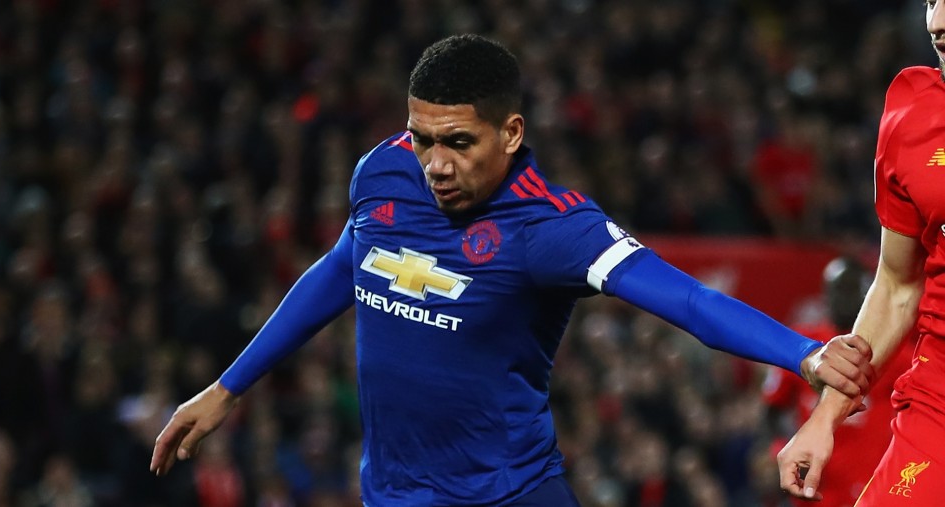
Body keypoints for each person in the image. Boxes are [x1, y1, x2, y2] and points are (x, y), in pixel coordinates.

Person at [150, 34, 873, 506]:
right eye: (422, 138)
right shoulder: (383, 172)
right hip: (391, 493)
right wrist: (227, 388)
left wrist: (804, 354)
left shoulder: (552, 227)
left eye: (458, 143)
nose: (435, 165)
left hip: (508, 494)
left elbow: (686, 300)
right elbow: (343, 268)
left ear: (511, 132)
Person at [777, 2, 945, 504]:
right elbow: (897, 285)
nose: (937, 22)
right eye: (930, 1)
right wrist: (825, 416)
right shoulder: (913, 115)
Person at [763, 257, 914, 507]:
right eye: (835, 289)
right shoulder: (803, 345)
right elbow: (772, 410)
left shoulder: (896, 353)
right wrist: (782, 447)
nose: (841, 298)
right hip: (815, 489)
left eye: (850, 289)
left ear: (869, 293)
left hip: (873, 487)